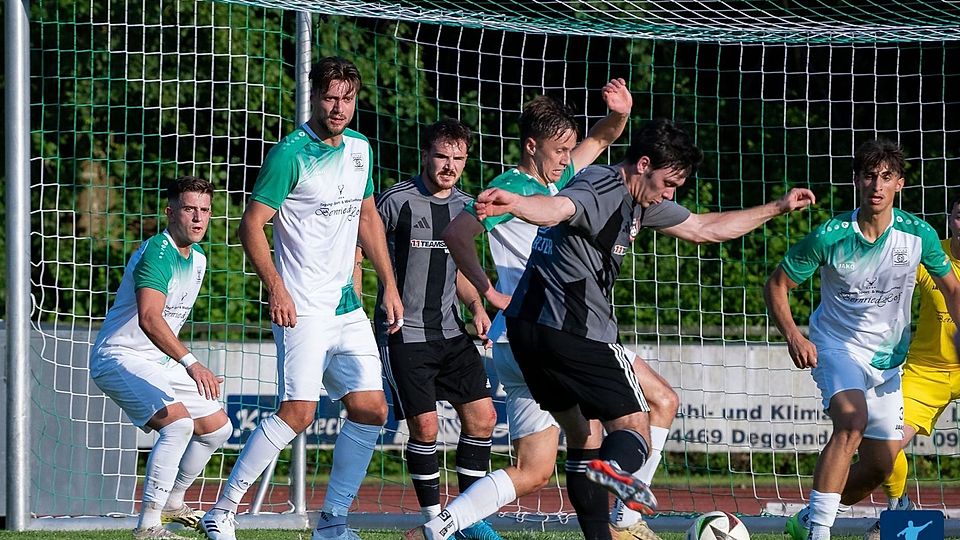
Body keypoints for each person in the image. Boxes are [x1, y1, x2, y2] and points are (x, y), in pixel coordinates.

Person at [466, 118, 814, 540]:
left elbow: (704, 229)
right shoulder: (601, 184)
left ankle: (592, 519)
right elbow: (557, 208)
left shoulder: (641, 201)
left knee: (582, 440)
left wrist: (777, 207)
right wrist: (516, 204)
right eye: (667, 183)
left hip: (527, 332)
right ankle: (614, 476)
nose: (670, 194)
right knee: (636, 426)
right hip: (575, 330)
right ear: (642, 165)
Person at [410, 80, 655, 540]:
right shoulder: (510, 188)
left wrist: (621, 113)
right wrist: (490, 292)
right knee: (652, 403)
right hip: (542, 331)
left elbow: (602, 138)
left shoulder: (560, 181)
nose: (568, 157)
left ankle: (439, 528)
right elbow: (458, 235)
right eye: (560, 149)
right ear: (531, 146)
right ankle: (626, 517)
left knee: (539, 467)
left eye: (569, 149)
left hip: (535, 332)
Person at [200, 56, 403, 540]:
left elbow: (368, 218)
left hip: (346, 307)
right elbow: (251, 224)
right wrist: (276, 286)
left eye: (348, 99)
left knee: (373, 409)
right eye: (331, 97)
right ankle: (221, 512)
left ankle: (331, 524)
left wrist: (389, 285)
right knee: (299, 413)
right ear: (314, 96)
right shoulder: (289, 153)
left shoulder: (360, 148)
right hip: (302, 307)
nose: (339, 107)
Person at [766, 140, 960, 540]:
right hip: (838, 347)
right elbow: (777, 284)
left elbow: (953, 291)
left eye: (886, 177)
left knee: (878, 467)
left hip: (888, 360)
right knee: (850, 420)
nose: (877, 185)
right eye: (869, 176)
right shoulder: (831, 235)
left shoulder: (918, 235)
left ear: (900, 184)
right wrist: (793, 336)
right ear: (856, 181)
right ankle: (820, 533)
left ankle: (807, 520)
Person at [356, 118, 501, 540]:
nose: (449, 165)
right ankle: (435, 523)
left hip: (452, 333)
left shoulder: (468, 207)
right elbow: (361, 252)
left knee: (484, 418)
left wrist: (476, 304)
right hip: (406, 334)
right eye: (442, 156)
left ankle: (469, 519)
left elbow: (460, 270)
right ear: (425, 155)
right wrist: (371, 296)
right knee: (425, 429)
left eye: (458, 158)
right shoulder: (395, 201)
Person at [90, 176, 231, 540]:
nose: (198, 218)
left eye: (204, 210)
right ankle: (148, 527)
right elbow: (150, 318)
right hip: (118, 357)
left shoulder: (198, 258)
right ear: (170, 213)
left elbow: (166, 324)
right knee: (179, 425)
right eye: (189, 209)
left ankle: (173, 501)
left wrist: (184, 362)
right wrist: (192, 363)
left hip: (158, 361)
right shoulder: (158, 252)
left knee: (218, 428)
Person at [858, 194, 960, 540]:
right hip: (927, 370)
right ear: (950, 218)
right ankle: (900, 507)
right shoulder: (930, 252)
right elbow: (890, 282)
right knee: (883, 444)